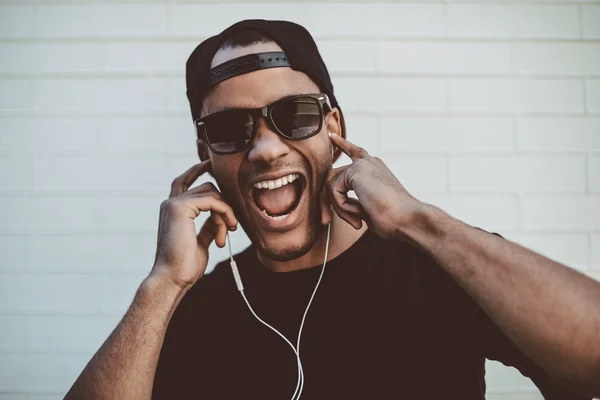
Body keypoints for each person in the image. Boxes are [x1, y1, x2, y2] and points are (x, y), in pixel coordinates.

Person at [64, 20, 600, 400]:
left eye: (293, 115)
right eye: (230, 129)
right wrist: (161, 285)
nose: (265, 149)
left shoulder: (438, 261)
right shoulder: (187, 310)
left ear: (334, 130)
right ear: (206, 156)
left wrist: (418, 220)